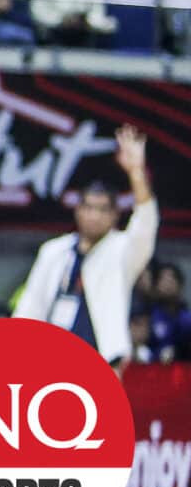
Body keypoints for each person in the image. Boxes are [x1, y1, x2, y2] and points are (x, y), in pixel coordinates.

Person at [11, 128, 157, 368]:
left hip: (101, 360)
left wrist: (136, 172)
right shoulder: (54, 251)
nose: (94, 216)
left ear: (114, 215)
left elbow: (146, 222)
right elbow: (31, 305)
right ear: (78, 210)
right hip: (48, 359)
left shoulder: (122, 250)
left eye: (102, 210)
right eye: (88, 207)